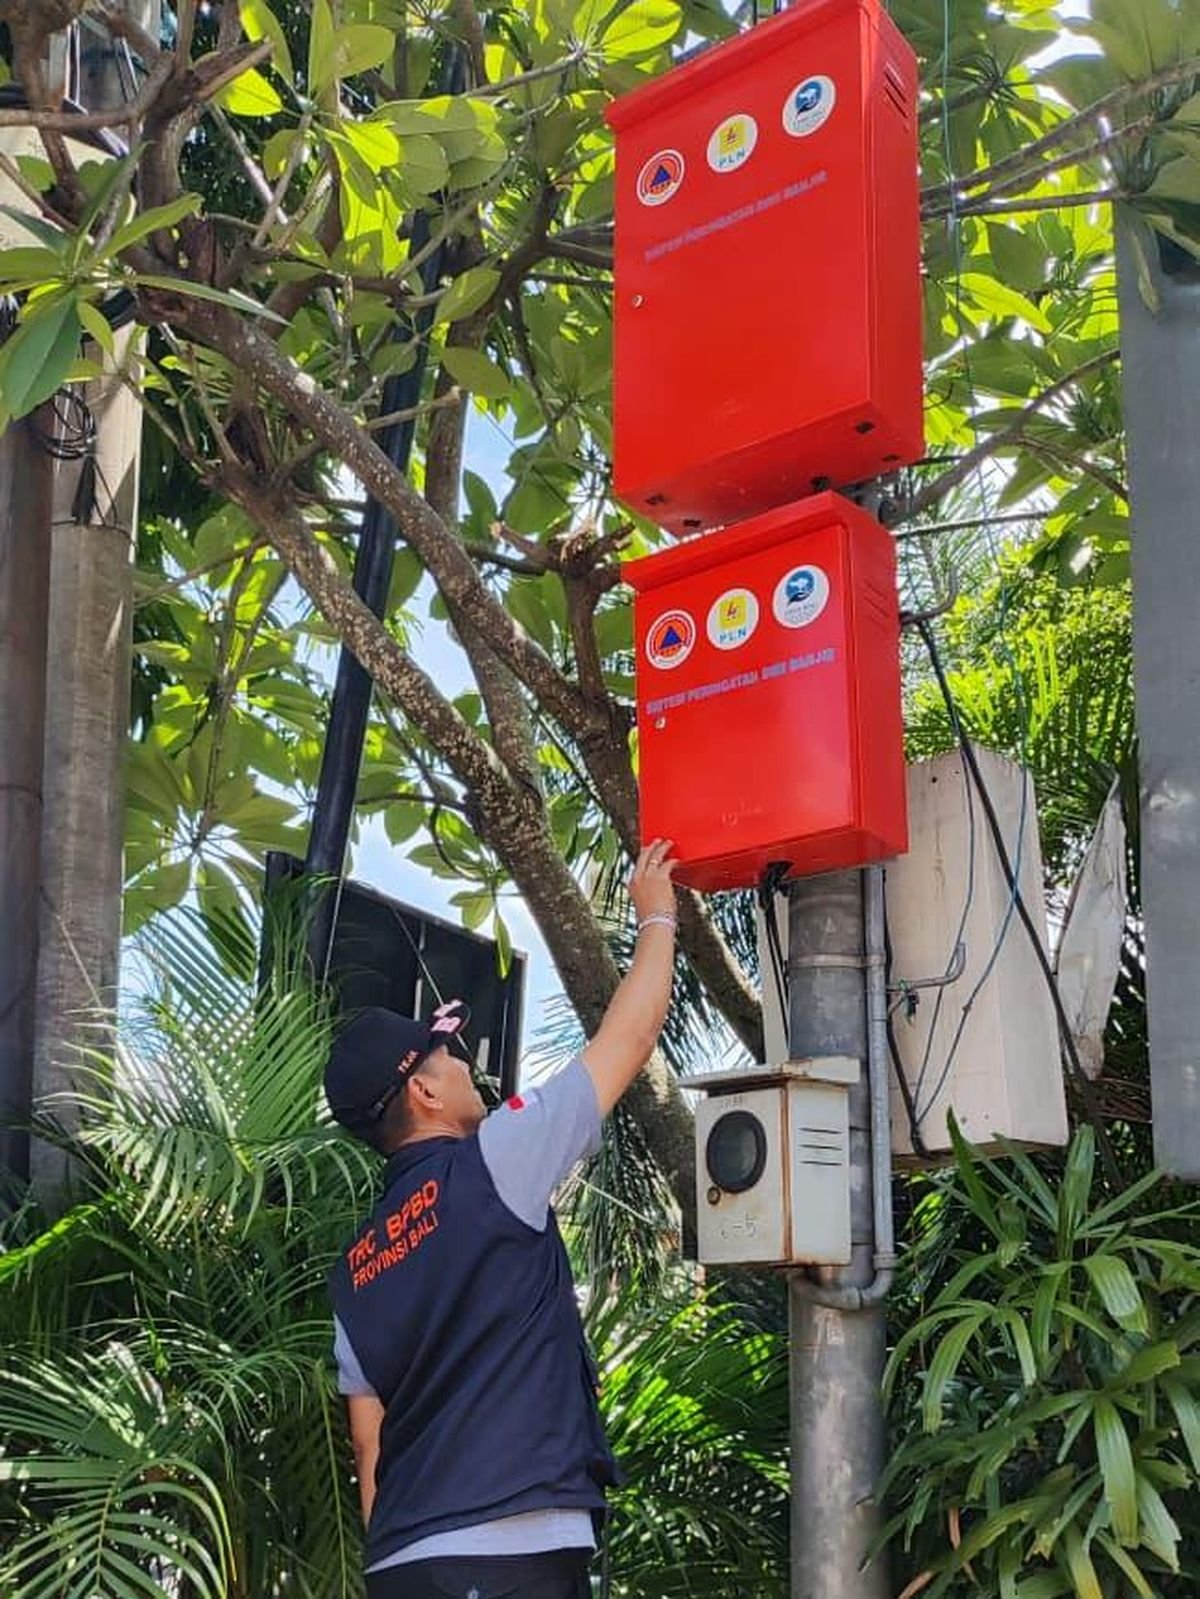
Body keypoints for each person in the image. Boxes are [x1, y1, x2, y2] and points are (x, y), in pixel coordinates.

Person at [325, 839, 679, 1599]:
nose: (462, 1063)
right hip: (512, 1547)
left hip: (403, 1562)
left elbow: (368, 1443)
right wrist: (657, 919)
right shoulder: (494, 1161)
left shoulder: (354, 1269)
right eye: (446, 1054)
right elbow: (628, 1042)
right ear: (422, 1091)